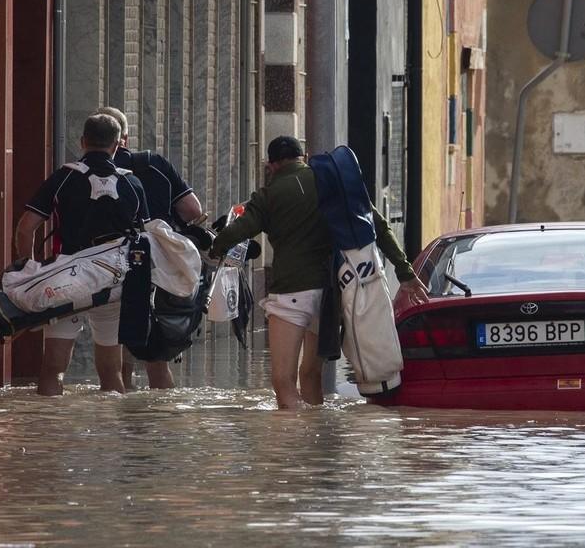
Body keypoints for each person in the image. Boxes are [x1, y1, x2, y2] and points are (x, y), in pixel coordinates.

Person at [209, 136, 429, 409]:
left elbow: (238, 231)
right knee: (310, 375)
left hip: (291, 295)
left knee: (283, 382)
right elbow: (379, 227)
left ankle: (297, 445)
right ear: (305, 155)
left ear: (271, 165)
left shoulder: (267, 196)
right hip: (330, 296)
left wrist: (215, 247)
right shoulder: (333, 183)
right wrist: (405, 272)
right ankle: (318, 439)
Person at [14, 113, 150, 396]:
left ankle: (51, 433)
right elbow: (145, 239)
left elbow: (26, 228)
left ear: (82, 142)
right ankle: (115, 438)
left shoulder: (63, 178)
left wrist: (27, 271)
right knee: (112, 373)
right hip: (112, 283)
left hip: (66, 282)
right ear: (117, 146)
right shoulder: (132, 184)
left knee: (52, 369)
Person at [95, 106, 205, 390]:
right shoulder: (153, 164)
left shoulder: (89, 171)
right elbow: (193, 209)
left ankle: (122, 418)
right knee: (156, 358)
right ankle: (158, 423)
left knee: (117, 353)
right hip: (157, 266)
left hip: (108, 266)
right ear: (125, 138)